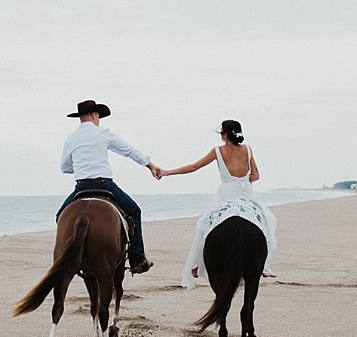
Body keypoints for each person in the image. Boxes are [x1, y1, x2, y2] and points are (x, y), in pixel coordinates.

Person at [159, 118, 277, 288]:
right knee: (268, 221)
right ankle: (265, 265)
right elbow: (256, 175)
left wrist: (168, 172)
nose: (221, 135)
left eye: (222, 132)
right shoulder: (248, 149)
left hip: (226, 194)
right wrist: (243, 180)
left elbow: (194, 167)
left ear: (226, 135)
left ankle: (197, 265)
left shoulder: (218, 151)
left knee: (203, 225)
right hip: (246, 194)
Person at [58, 99, 161, 274]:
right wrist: (151, 165)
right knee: (135, 212)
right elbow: (129, 150)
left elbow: (65, 167)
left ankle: (63, 257)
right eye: (98, 116)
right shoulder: (104, 133)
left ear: (80, 117)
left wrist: (82, 165)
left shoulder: (71, 138)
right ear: (94, 115)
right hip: (105, 184)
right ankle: (137, 259)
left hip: (81, 187)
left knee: (60, 216)